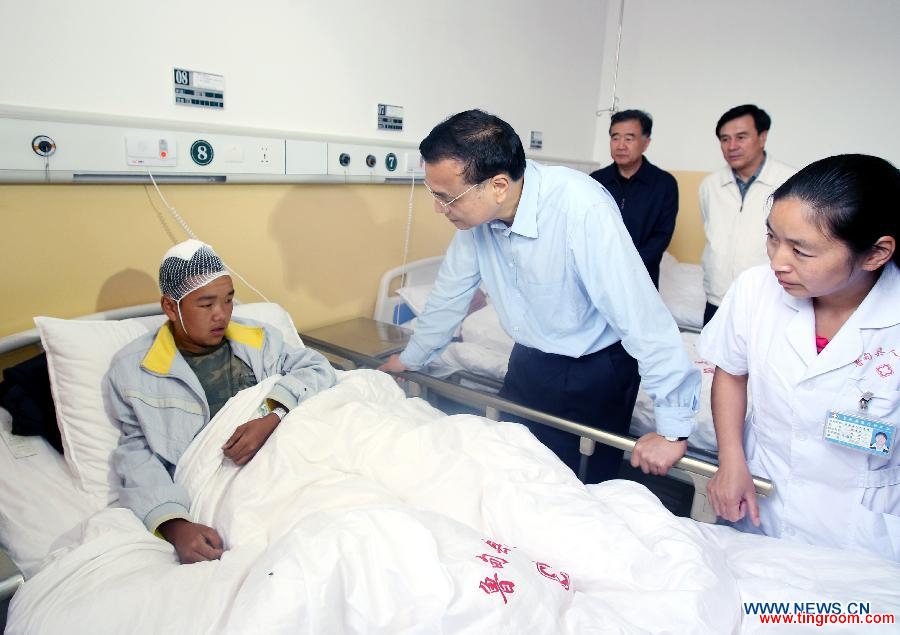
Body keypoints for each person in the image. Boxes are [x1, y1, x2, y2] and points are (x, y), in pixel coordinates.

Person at [379, 109, 700, 484]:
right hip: (530, 358)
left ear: (498, 185)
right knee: (516, 469)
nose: (439, 208)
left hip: (596, 368)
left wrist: (673, 428)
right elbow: (449, 294)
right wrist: (412, 359)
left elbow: (640, 316)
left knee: (583, 488)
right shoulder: (475, 220)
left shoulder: (580, 208)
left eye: (446, 197)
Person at [698, 154, 900, 561]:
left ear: (876, 253)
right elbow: (731, 374)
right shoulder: (756, 289)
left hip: (863, 530)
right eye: (772, 237)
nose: (777, 261)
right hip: (761, 504)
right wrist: (731, 461)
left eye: (800, 250)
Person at [106, 239, 336, 564]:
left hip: (290, 456)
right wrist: (176, 526)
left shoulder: (259, 339)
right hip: (224, 485)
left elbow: (316, 368)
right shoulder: (135, 371)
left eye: (228, 301)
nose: (222, 315)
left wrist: (273, 415)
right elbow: (136, 455)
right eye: (206, 304)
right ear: (171, 308)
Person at [699, 104, 796, 324]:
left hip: (769, 298)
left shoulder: (790, 182)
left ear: (762, 137)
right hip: (717, 299)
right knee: (712, 359)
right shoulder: (710, 185)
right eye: (725, 139)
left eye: (741, 137)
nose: (732, 146)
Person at [589, 109, 678, 287]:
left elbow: (661, 237)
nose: (621, 145)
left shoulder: (663, 184)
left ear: (646, 143)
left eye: (629, 139)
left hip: (642, 278)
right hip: (599, 276)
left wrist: (627, 265)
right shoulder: (596, 181)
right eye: (615, 138)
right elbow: (586, 229)